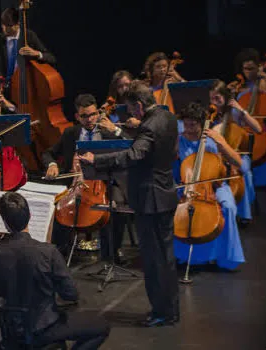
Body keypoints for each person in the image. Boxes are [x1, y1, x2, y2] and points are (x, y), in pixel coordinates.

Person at [79, 80, 179, 327]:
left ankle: (161, 313)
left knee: (154, 260)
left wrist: (98, 159)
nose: (131, 114)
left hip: (150, 200)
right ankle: (170, 310)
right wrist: (137, 128)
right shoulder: (168, 117)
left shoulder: (149, 126)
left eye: (132, 109)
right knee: (165, 258)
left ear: (139, 105)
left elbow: (134, 155)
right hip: (165, 193)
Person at [0, 192, 110, 348]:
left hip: (12, 329)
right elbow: (70, 294)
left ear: (5, 223)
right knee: (100, 326)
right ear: (30, 216)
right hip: (42, 328)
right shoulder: (48, 252)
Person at [42, 94, 130, 261]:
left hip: (105, 183)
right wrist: (52, 165)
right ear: (77, 116)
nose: (89, 119)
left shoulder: (108, 132)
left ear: (97, 113)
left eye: (92, 114)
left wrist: (116, 130)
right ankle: (59, 254)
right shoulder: (70, 133)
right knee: (57, 205)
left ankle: (111, 252)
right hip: (76, 183)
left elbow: (131, 146)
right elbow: (48, 153)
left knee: (116, 206)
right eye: (84, 116)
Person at [174, 102, 245, 270]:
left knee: (227, 207)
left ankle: (224, 257)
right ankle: (182, 256)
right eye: (186, 124)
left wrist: (222, 143)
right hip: (188, 187)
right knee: (177, 211)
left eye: (193, 125)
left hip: (214, 186)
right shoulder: (179, 139)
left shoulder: (212, 140)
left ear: (201, 123)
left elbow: (238, 162)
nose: (189, 129)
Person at [230, 48, 266, 190]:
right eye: (245, 69)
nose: (248, 72)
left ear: (258, 67)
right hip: (243, 122)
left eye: (251, 69)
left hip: (265, 121)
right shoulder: (239, 86)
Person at [210, 80, 261, 222]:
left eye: (218, 98)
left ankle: (244, 214)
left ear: (225, 97)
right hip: (216, 154)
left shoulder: (234, 112)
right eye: (212, 98)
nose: (214, 102)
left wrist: (241, 109)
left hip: (238, 154)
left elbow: (258, 128)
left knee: (241, 170)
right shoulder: (209, 114)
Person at [0, 7, 56, 84]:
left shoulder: (29, 36)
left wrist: (37, 53)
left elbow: (51, 58)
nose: (5, 29)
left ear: (18, 24)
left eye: (9, 26)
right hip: (2, 87)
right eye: (3, 25)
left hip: (24, 85)